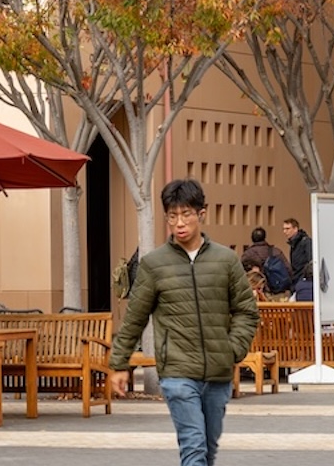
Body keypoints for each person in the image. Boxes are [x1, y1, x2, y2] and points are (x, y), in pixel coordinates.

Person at [108, 179, 259, 466]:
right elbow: (135, 318)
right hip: (177, 372)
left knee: (208, 448)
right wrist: (119, 364)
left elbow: (246, 311)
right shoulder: (154, 264)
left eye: (186, 214)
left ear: (202, 214)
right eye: (172, 216)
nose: (179, 223)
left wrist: (233, 349)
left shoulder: (226, 260)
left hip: (217, 372)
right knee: (194, 445)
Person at [284, 218, 315, 301]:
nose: (285, 231)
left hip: (302, 281)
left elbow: (310, 261)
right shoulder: (294, 244)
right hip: (298, 282)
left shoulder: (305, 242)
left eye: (287, 229)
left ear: (295, 229)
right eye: (284, 229)